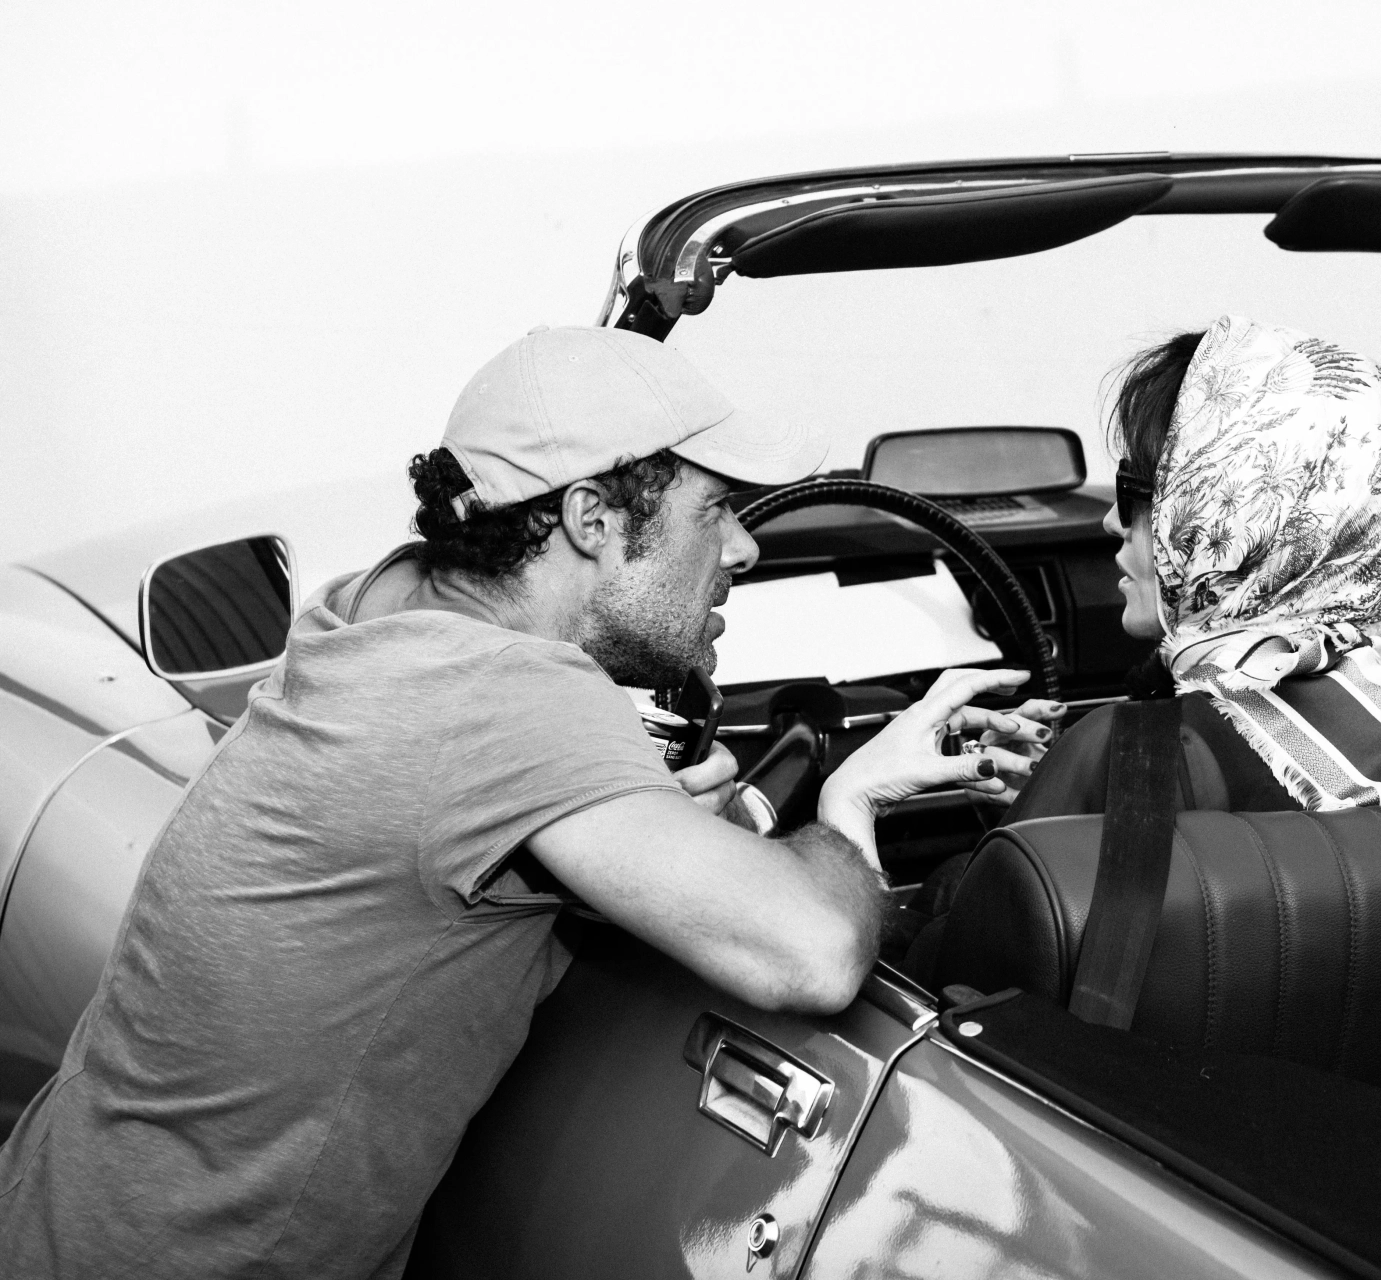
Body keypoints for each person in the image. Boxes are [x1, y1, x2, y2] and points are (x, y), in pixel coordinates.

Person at [0, 325, 1050, 1279]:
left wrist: (648, 808)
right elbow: (812, 950)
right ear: (590, 516)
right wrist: (852, 807)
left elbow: (461, 807)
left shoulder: (377, 613)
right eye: (717, 511)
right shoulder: (508, 699)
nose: (743, 549)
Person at [1014, 313, 1381, 819]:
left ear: (1228, 512)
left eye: (1134, 491)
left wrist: (1058, 795)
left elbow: (1019, 896)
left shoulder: (1132, 756)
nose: (1110, 521)